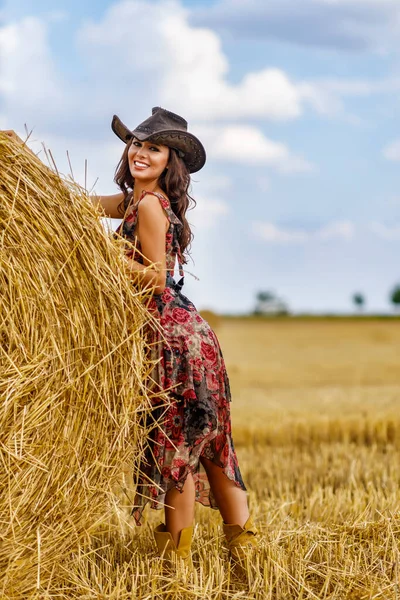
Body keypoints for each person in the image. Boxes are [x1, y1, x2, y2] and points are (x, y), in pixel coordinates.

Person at [1, 110, 258, 566]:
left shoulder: (149, 206)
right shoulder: (133, 201)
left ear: (170, 161)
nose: (141, 153)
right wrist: (19, 165)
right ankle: (246, 558)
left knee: (176, 452)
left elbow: (156, 278)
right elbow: (68, 204)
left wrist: (101, 255)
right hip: (184, 334)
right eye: (136, 144)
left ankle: (176, 572)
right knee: (213, 448)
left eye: (153, 148)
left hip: (173, 337)